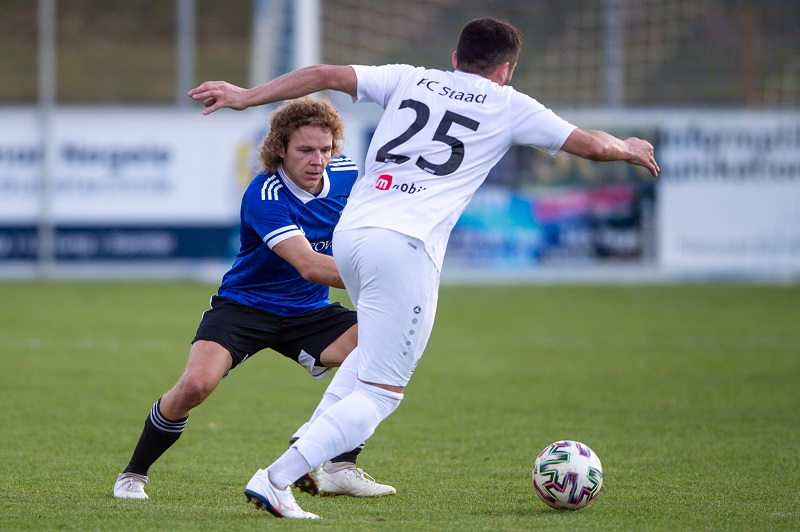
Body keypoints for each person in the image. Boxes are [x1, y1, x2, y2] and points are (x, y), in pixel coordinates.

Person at [189, 17, 660, 520]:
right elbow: (592, 144)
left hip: (353, 235)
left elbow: (325, 74)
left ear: (456, 58)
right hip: (404, 246)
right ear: (505, 70)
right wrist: (628, 148)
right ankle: (277, 478)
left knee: (366, 356)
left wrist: (248, 96)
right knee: (381, 393)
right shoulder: (509, 104)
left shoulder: (410, 78)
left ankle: (322, 459)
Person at [113, 96, 395, 502]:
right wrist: (388, 277)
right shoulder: (265, 194)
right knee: (195, 385)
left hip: (308, 311)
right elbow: (309, 265)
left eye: (325, 149)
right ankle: (133, 474)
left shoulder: (346, 173)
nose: (317, 160)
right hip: (245, 307)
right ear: (279, 148)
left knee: (379, 349)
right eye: (305, 150)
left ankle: (339, 467)